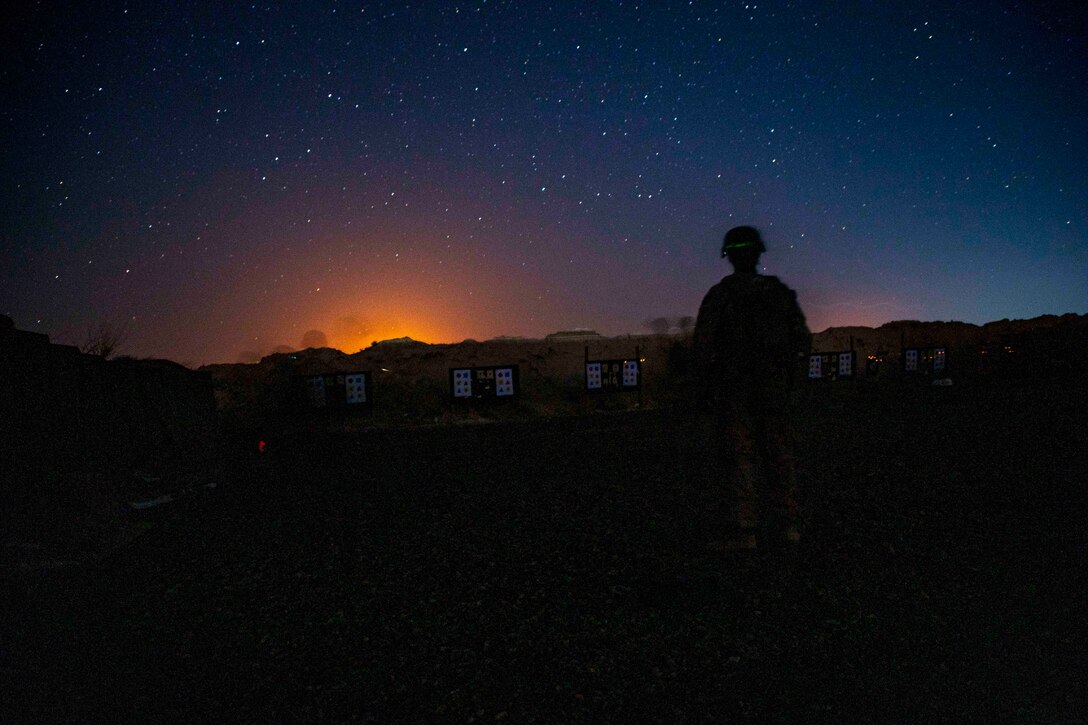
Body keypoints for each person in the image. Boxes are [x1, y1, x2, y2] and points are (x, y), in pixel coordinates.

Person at [693, 225, 811, 553]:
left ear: (729, 256)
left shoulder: (721, 296)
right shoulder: (778, 294)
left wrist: (704, 388)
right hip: (773, 391)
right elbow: (802, 342)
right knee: (778, 455)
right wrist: (794, 384)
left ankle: (744, 531)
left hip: (736, 393)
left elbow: (703, 347)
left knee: (740, 457)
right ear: (758, 253)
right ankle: (786, 526)